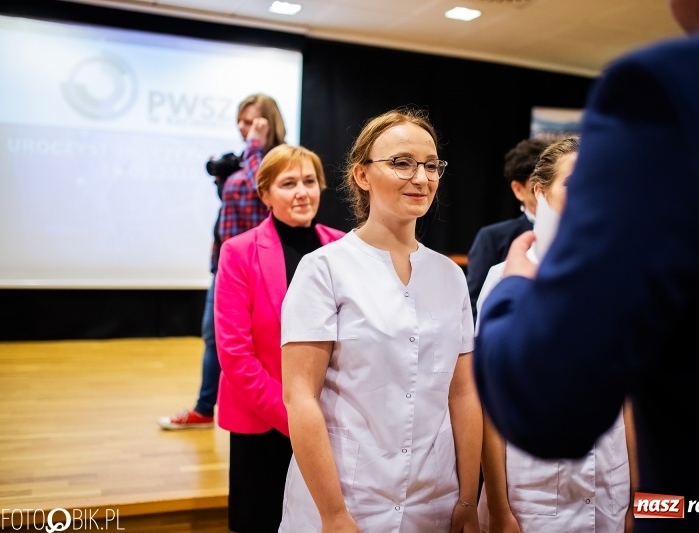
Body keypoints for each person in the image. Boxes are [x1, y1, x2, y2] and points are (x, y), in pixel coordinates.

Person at [474, 0, 699, 530]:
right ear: (538, 192)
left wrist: (640, 503)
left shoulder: (677, 87)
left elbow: (549, 402)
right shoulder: (504, 269)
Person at [279, 107, 482, 532]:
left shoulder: (449, 275)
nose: (421, 177)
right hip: (347, 498)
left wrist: (468, 498)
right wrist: (333, 514)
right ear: (362, 175)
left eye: (431, 165)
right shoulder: (324, 269)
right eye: (402, 163)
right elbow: (301, 398)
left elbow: (462, 394)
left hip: (433, 499)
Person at [476, 136, 633, 533]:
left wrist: (641, 499)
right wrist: (498, 508)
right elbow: (489, 404)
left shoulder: (622, 275)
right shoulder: (505, 278)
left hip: (611, 490)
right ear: (540, 192)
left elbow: (633, 397)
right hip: (534, 495)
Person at [214, 144, 345, 533]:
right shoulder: (238, 252)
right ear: (265, 194)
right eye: (288, 184)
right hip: (264, 420)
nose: (302, 192)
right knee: (262, 520)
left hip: (332, 418)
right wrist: (294, 416)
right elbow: (235, 354)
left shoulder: (343, 247)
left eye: (309, 181)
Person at [159, 93, 286, 430]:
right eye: (240, 121)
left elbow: (263, 190)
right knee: (215, 337)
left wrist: (255, 146)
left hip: (259, 264)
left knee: (250, 342)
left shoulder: (278, 158)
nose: (243, 127)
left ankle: (260, 409)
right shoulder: (245, 158)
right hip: (226, 262)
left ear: (268, 121)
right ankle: (205, 409)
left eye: (250, 121)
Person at [465, 137, 552, 323]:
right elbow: (473, 307)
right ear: (518, 189)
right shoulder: (493, 237)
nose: (545, 197)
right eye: (536, 190)